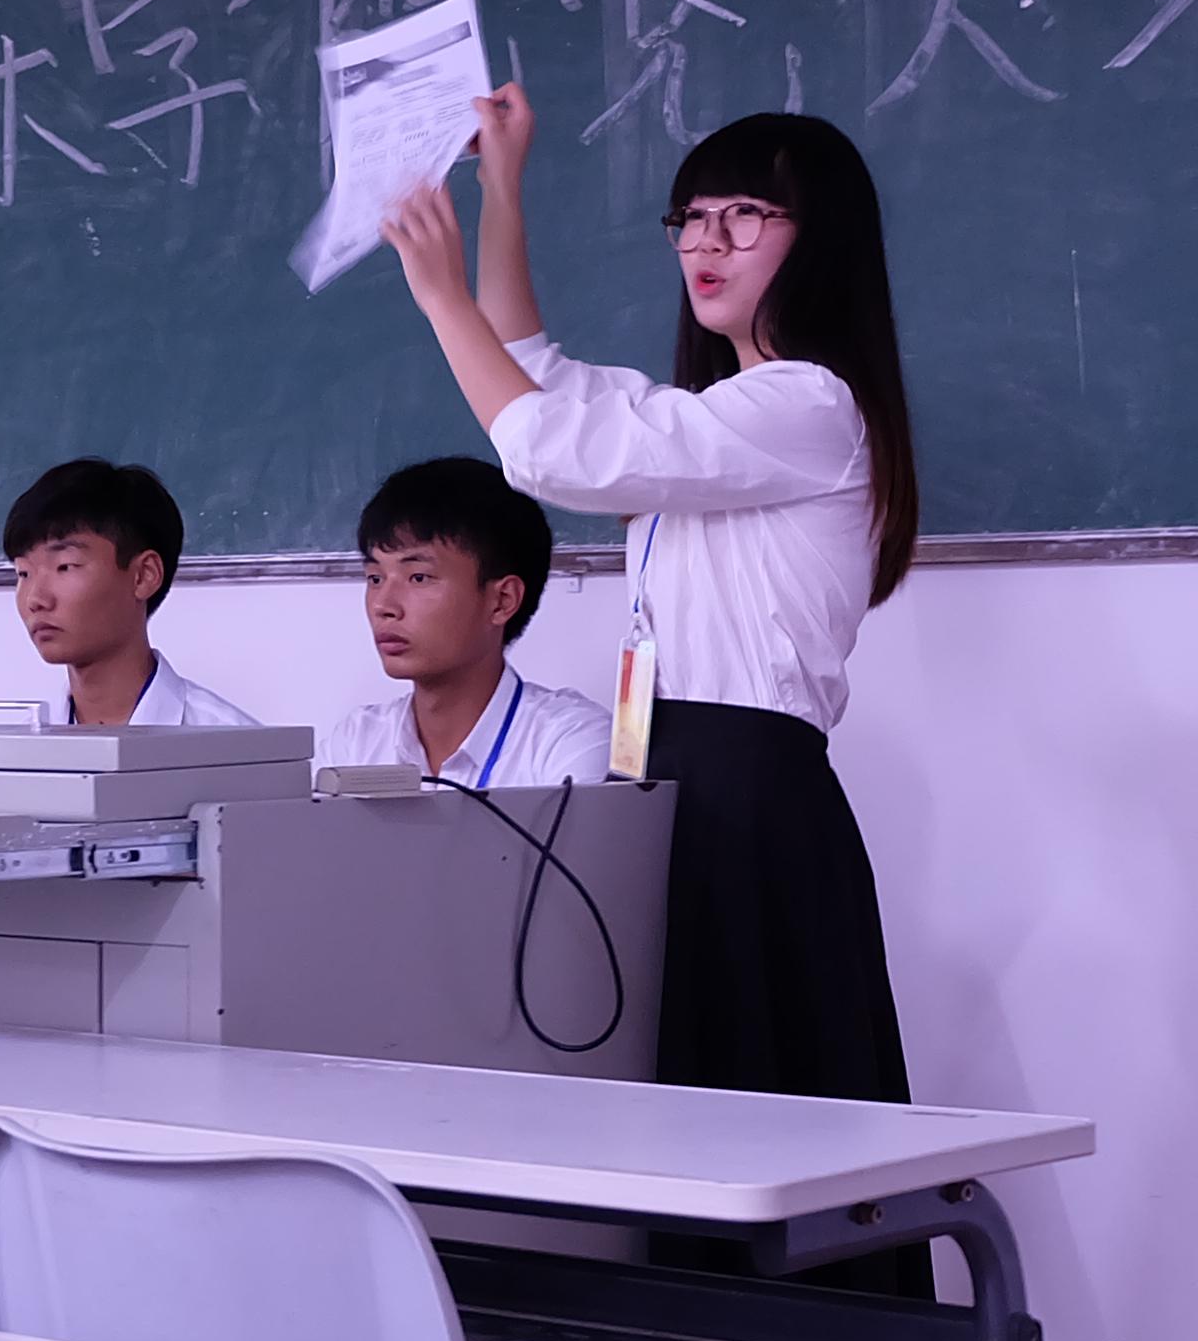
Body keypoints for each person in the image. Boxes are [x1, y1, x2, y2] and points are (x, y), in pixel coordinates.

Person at [384, 91, 918, 1110]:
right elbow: (532, 373)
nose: (708, 241)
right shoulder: (713, 415)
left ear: (822, 238)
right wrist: (502, 185)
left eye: (747, 216)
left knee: (758, 1112)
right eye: (693, 217)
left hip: (746, 793)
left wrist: (439, 295)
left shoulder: (807, 403)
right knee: (689, 1105)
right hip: (668, 766)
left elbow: (551, 449)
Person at [321, 455, 613, 791]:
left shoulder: (570, 744)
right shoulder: (355, 744)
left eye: (418, 577)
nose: (384, 606)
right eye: (374, 578)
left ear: (502, 601)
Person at [5, 454, 255, 729]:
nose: (35, 599)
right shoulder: (14, 750)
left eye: (65, 566)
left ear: (144, 576)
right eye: (23, 573)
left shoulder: (233, 747)